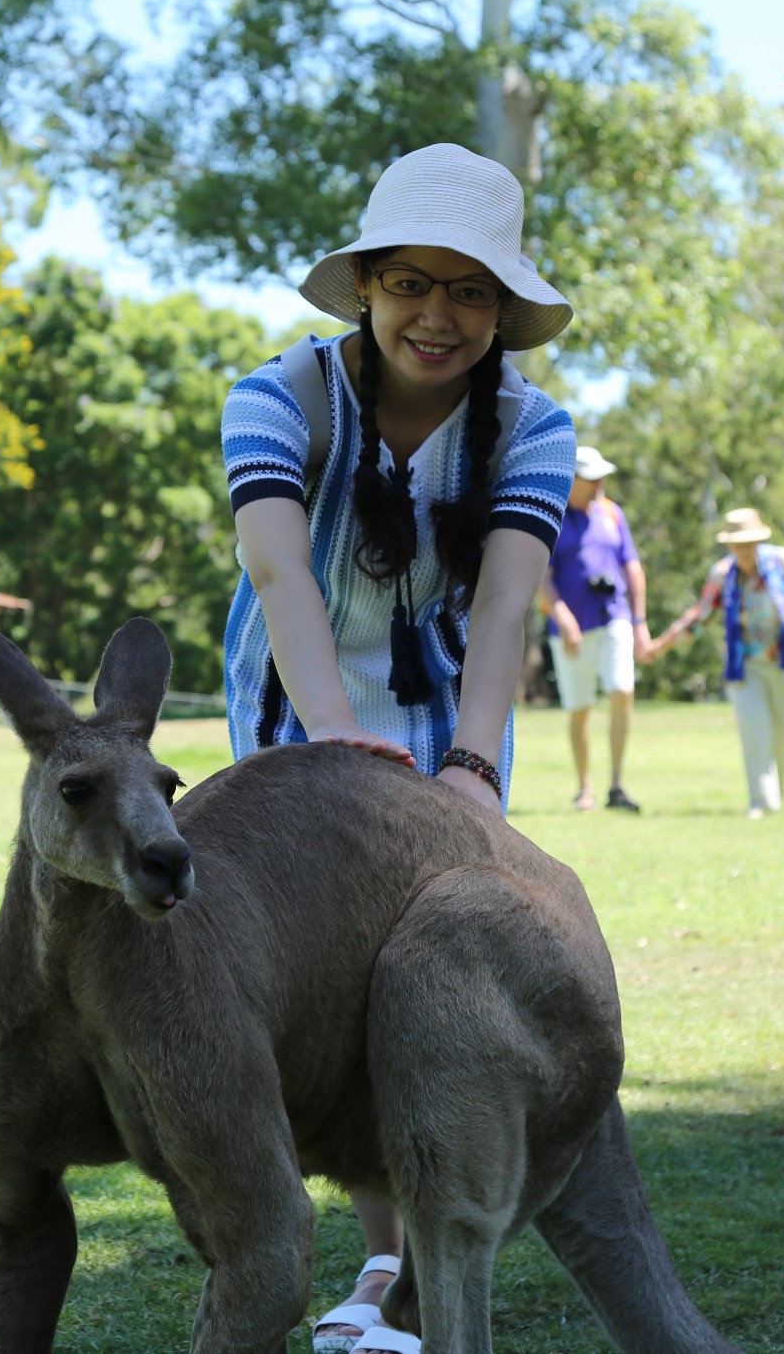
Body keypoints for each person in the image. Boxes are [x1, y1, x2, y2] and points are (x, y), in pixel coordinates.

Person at [219, 142, 577, 1354]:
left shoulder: (531, 426)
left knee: (427, 976)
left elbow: (504, 608)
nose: (439, 315)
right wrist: (329, 749)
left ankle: (413, 1267)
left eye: (470, 291)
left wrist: (472, 770)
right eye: (412, 283)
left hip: (447, 707)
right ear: (366, 285)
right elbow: (278, 572)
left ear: (502, 312)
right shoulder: (281, 397)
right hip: (297, 695)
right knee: (317, 973)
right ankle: (352, 1257)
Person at [648, 507, 784, 819]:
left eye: (749, 542)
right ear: (729, 545)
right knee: (754, 731)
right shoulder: (722, 574)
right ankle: (760, 801)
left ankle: (776, 793)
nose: (744, 549)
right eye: (738, 543)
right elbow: (698, 617)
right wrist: (659, 646)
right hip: (746, 667)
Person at [538, 445, 650, 811]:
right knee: (581, 707)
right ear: (571, 480)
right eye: (591, 478)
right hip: (570, 629)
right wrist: (564, 619)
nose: (600, 483)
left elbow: (632, 567)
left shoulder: (612, 513)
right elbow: (543, 579)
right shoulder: (552, 516)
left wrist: (640, 620)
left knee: (622, 690)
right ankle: (584, 788)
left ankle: (616, 784)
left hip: (614, 617)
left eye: (602, 476)